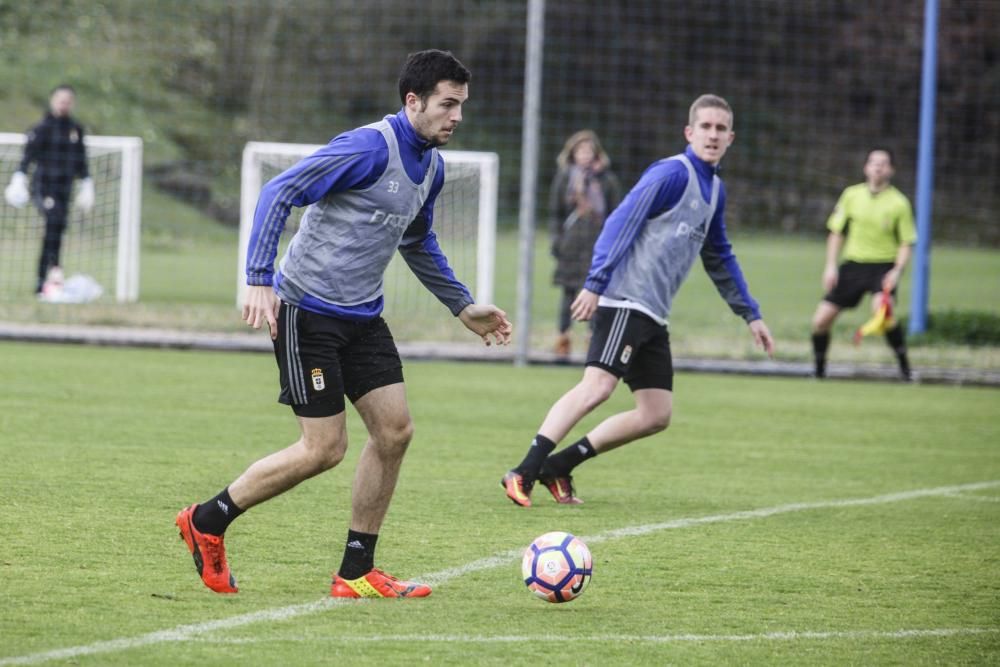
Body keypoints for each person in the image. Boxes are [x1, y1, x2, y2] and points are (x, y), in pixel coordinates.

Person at [176, 50, 512, 598]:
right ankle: (206, 521)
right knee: (323, 448)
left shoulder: (433, 165)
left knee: (395, 431)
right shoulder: (365, 148)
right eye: (447, 105)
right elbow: (278, 191)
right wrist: (259, 276)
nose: (456, 116)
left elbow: (417, 240)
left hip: (362, 315)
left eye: (461, 106)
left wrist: (462, 305)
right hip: (306, 313)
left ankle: (356, 571)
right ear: (413, 101)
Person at [501, 94, 774, 507]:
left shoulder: (715, 190)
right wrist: (595, 283)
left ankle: (559, 465)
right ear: (690, 132)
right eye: (706, 127)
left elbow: (719, 255)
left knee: (655, 414)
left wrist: (750, 313)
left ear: (731, 137)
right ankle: (524, 469)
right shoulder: (671, 174)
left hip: (653, 313)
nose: (713, 135)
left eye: (721, 129)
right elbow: (620, 221)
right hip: (624, 300)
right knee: (597, 387)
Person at [810, 148, 916, 380]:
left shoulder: (899, 203)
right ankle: (818, 373)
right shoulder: (851, 195)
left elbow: (906, 242)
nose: (878, 167)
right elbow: (836, 232)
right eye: (873, 162)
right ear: (866, 168)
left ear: (891, 170)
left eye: (884, 163)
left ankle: (906, 371)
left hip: (883, 267)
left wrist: (897, 271)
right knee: (820, 321)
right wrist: (830, 266)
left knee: (883, 315)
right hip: (853, 266)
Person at [4, 84, 95, 294]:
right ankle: (53, 272)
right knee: (54, 222)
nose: (64, 104)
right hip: (44, 186)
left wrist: (87, 183)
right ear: (53, 100)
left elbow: (81, 160)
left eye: (68, 100)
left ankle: (44, 281)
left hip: (65, 189)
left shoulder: (76, 130)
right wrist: (19, 178)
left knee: (57, 229)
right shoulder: (42, 128)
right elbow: (28, 157)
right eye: (60, 99)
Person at [549, 130, 620, 358]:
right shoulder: (564, 177)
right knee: (568, 293)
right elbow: (555, 213)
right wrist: (557, 241)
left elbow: (615, 213)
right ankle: (563, 337)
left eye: (589, 151)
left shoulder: (607, 180)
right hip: (571, 244)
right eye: (581, 151)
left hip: (597, 244)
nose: (585, 155)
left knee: (597, 292)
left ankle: (593, 340)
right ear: (573, 153)